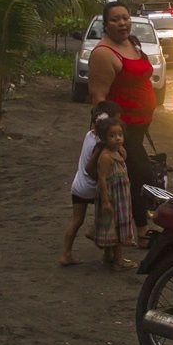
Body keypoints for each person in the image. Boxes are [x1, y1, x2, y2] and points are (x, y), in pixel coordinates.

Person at [87, 0, 156, 248]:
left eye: (125, 18)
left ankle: (132, 227)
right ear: (106, 25)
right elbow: (98, 98)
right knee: (142, 175)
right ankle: (141, 230)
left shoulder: (132, 44)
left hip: (140, 125)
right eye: (115, 19)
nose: (122, 23)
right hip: (121, 130)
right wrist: (109, 135)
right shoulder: (104, 53)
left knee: (133, 177)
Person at [60, 100, 122, 266]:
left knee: (76, 220)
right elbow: (91, 168)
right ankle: (103, 245)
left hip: (78, 186)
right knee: (109, 216)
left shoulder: (89, 135)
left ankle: (66, 254)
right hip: (92, 187)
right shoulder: (101, 146)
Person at [93, 115, 137, 270]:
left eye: (120, 135)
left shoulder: (118, 152)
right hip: (113, 198)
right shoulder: (105, 157)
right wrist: (105, 201)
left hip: (121, 197)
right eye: (112, 136)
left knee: (113, 226)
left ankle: (108, 257)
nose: (117, 138)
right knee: (116, 227)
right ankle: (118, 260)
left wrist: (120, 149)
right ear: (104, 138)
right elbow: (102, 179)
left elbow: (124, 156)